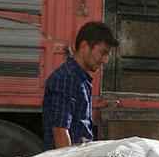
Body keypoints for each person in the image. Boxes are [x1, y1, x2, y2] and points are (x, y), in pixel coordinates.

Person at [42, 21, 119, 149]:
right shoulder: (67, 78)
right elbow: (60, 131)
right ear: (84, 46)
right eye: (102, 53)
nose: (105, 60)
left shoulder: (80, 79)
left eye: (107, 55)